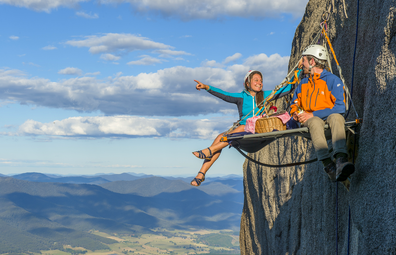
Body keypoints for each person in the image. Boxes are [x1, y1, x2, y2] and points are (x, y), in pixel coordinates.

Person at [290, 44, 355, 182]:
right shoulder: (303, 84)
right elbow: (294, 105)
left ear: (312, 61)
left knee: (336, 117)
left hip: (325, 118)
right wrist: (296, 114)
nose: (301, 64)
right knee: (314, 122)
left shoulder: (332, 80)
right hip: (311, 122)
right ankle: (328, 165)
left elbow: (340, 108)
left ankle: (340, 161)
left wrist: (313, 114)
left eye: (304, 60)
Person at [190, 70, 265, 186]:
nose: (259, 83)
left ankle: (210, 151)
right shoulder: (241, 97)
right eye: (256, 80)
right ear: (248, 83)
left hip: (258, 129)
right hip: (243, 130)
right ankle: (201, 173)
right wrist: (206, 87)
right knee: (220, 137)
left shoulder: (266, 95)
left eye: (261, 81)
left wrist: (299, 71)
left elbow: (285, 88)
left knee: (241, 127)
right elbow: (224, 95)